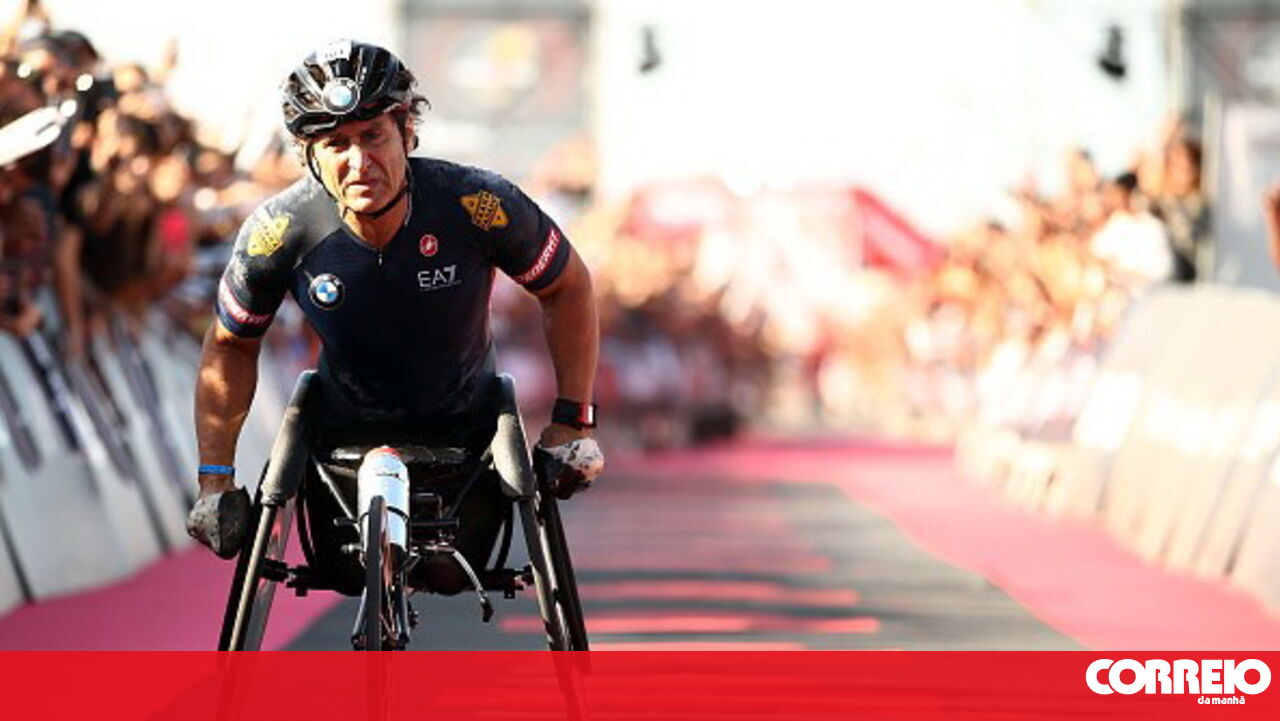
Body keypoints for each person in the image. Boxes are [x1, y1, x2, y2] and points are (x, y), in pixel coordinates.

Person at [186, 40, 603, 595]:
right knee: (345, 577)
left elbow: (568, 287)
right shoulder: (279, 231)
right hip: (340, 443)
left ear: (407, 131)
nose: (359, 162)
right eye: (336, 144)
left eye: (372, 136)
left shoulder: (477, 204)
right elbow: (230, 344)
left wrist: (573, 421)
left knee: (450, 577)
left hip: (466, 439)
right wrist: (215, 479)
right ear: (308, 155)